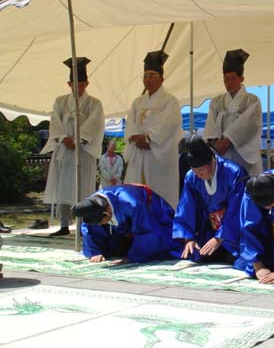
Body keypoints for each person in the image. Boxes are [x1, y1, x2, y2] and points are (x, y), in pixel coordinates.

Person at [41, 57, 105, 236]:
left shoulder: (94, 103)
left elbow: (96, 124)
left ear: (86, 83)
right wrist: (63, 138)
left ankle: (83, 224)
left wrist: (79, 140)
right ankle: (63, 225)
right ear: (69, 83)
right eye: (75, 83)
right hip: (65, 150)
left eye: (82, 83)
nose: (79, 87)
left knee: (83, 187)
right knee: (63, 188)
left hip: (83, 151)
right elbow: (55, 122)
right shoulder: (60, 101)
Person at [172, 136, 248, 263]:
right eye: (194, 171)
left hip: (234, 233)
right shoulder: (192, 178)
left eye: (201, 170)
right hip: (208, 231)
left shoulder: (234, 172)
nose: (198, 175)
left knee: (236, 260)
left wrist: (220, 237)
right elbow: (186, 207)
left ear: (212, 161)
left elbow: (238, 207)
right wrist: (189, 238)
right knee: (197, 255)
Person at [123, 50, 183, 209]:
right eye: (145, 76)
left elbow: (169, 125)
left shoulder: (170, 101)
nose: (148, 80)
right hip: (139, 153)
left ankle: (163, 228)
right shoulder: (137, 102)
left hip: (159, 156)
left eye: (152, 76)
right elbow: (130, 125)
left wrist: (149, 138)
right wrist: (135, 138)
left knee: (159, 194)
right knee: (137, 193)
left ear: (161, 79)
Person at [72, 184, 176, 263]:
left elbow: (146, 229)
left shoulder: (131, 203)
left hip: (154, 214)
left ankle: (137, 252)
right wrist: (95, 252)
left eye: (101, 221)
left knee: (164, 246)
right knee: (114, 247)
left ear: (107, 211)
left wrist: (132, 257)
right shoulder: (93, 204)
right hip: (127, 226)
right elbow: (89, 228)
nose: (100, 224)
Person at [203, 49, 263, 175]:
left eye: (232, 79)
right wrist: (215, 142)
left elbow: (249, 124)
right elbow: (210, 126)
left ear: (241, 78)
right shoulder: (216, 102)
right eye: (225, 79)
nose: (228, 83)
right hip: (221, 153)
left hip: (244, 156)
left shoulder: (252, 100)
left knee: (245, 185)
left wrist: (228, 139)